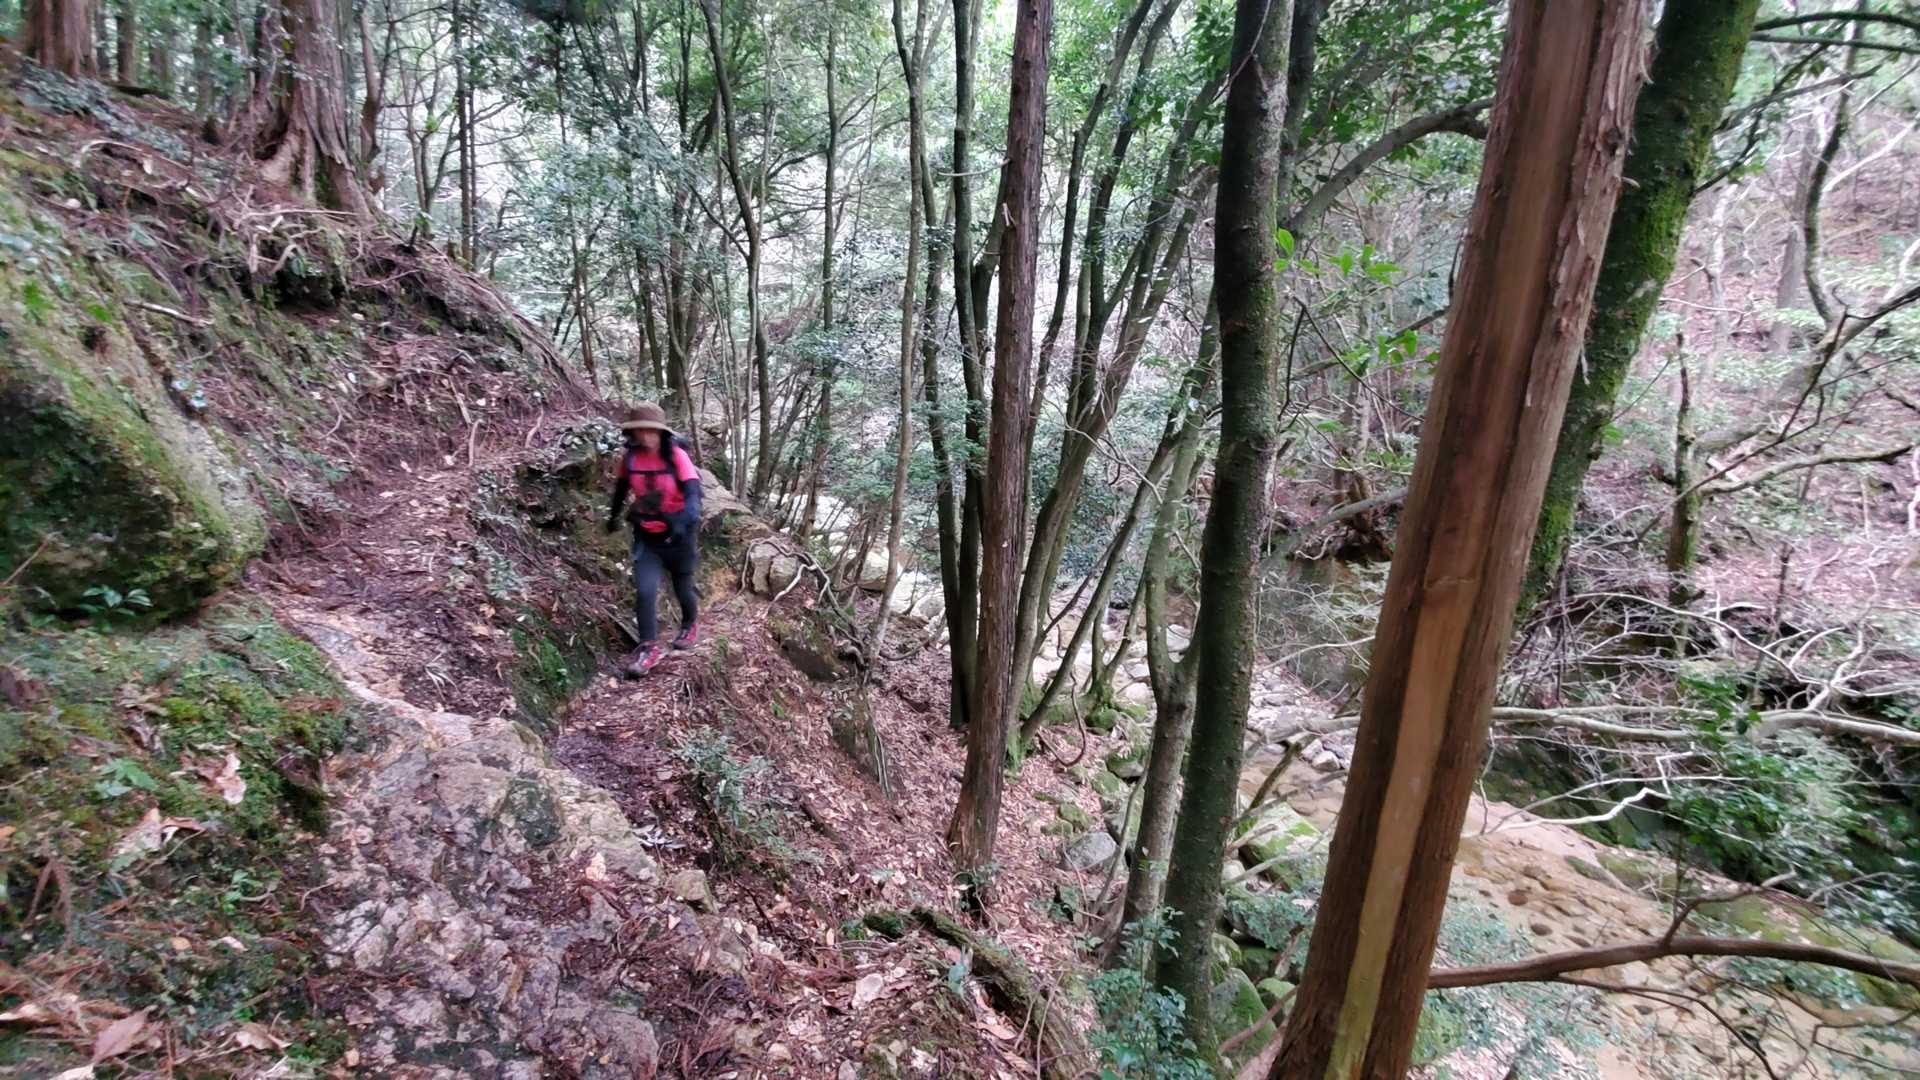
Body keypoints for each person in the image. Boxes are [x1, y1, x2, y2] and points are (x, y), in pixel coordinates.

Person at [605, 402, 702, 677]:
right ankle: (648, 647)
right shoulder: (631, 459)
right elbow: (621, 489)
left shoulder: (677, 456)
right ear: (633, 433)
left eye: (651, 430)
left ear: (661, 432)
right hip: (647, 535)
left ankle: (690, 624)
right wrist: (613, 517)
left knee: (683, 587)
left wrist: (683, 523)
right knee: (645, 590)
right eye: (640, 430)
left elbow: (693, 496)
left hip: (680, 534)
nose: (646, 436)